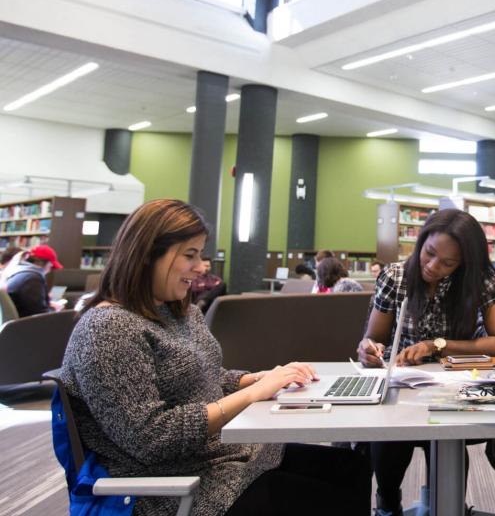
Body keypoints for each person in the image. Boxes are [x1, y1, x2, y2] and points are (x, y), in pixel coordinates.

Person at [59, 199, 371, 515]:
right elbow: (151, 439)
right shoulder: (108, 329)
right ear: (146, 256)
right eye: (189, 255)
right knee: (334, 499)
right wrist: (252, 394)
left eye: (201, 254)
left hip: (226, 459)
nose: (201, 267)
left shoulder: (177, 310)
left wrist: (260, 378)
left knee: (352, 468)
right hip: (179, 488)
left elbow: (206, 375)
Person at [357, 208, 495, 516]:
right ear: (422, 241)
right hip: (400, 389)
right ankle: (388, 505)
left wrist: (436, 346)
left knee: (446, 440)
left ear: (464, 263)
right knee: (388, 442)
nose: (432, 266)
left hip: (453, 389)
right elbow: (373, 337)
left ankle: (442, 506)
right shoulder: (396, 277)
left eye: (447, 263)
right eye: (429, 254)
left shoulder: (478, 280)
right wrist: (369, 349)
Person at [4, 244, 64, 316]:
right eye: (51, 266)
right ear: (42, 262)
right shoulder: (32, 278)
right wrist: (55, 309)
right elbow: (40, 315)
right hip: (25, 324)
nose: (49, 271)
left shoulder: (20, 272)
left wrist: (48, 304)